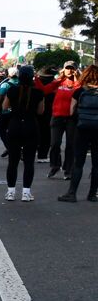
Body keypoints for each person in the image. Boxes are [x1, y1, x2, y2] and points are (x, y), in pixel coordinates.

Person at [0, 64, 46, 202]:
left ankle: (11, 192)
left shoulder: (12, 90)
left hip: (14, 126)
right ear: (32, 76)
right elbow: (40, 111)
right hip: (31, 126)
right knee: (29, 161)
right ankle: (26, 192)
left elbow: (5, 106)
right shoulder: (38, 93)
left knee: (12, 161)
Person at [58, 64, 98, 202]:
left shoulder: (79, 92)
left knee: (78, 162)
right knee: (96, 164)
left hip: (82, 129)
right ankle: (93, 194)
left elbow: (71, 112)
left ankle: (72, 193)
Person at [43, 61, 79, 179]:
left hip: (71, 118)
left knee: (70, 145)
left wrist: (78, 79)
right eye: (67, 68)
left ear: (75, 70)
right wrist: (57, 79)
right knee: (55, 144)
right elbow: (45, 90)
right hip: (57, 116)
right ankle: (55, 166)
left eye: (72, 69)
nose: (70, 71)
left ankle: (67, 169)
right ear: (64, 70)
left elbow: (82, 92)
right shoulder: (59, 82)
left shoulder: (78, 83)